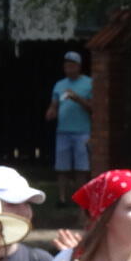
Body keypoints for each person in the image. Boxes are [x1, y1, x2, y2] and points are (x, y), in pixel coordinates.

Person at [47, 51, 93, 196]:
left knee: (82, 168)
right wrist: (51, 112)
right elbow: (54, 105)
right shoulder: (59, 85)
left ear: (79, 66)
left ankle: (81, 199)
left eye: (72, 66)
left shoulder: (89, 83)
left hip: (82, 131)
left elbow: (93, 108)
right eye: (66, 66)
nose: (69, 69)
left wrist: (77, 98)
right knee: (62, 168)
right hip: (63, 131)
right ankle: (62, 198)